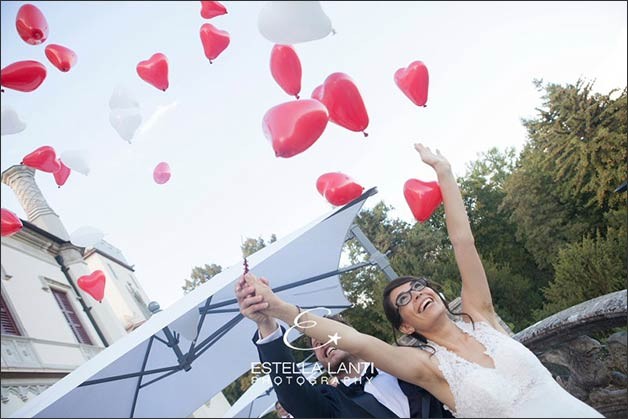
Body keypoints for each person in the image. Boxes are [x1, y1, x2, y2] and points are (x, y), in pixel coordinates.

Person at [243, 143, 605, 418]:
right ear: (404, 324)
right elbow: (348, 339)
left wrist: (444, 173)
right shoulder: (423, 368)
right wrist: (278, 310)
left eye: (418, 287)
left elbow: (463, 242)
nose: (416, 294)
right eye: (404, 299)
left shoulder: (482, 316)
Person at [236, 276, 452, 418]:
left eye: (326, 336)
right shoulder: (330, 403)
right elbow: (291, 393)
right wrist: (266, 323)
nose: (321, 343)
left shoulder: (404, 359)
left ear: (348, 333)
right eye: (315, 344)